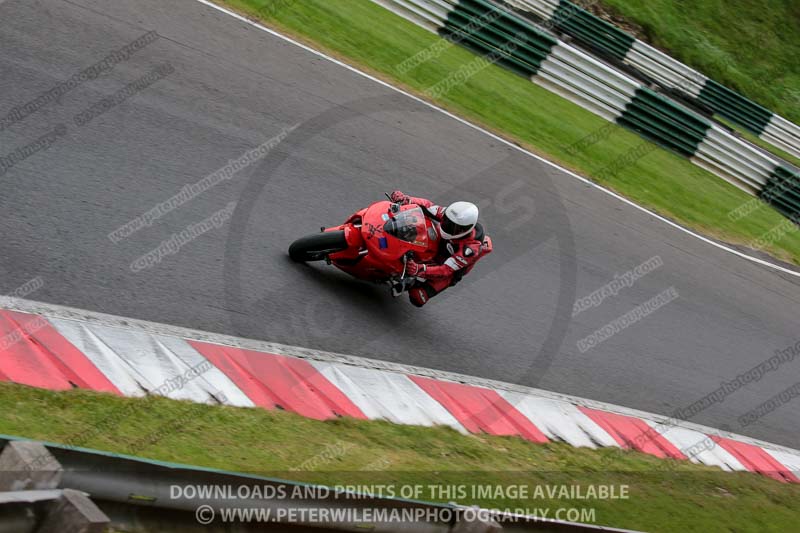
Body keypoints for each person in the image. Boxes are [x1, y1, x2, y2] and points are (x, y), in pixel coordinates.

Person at [389, 190, 493, 307]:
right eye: (447, 222)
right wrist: (407, 200)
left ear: (465, 230)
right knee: (418, 226)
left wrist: (418, 269)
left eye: (453, 227)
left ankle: (409, 282)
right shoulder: (449, 215)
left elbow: (445, 270)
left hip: (449, 269)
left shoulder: (470, 250)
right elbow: (428, 206)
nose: (447, 226)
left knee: (418, 297)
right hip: (439, 243)